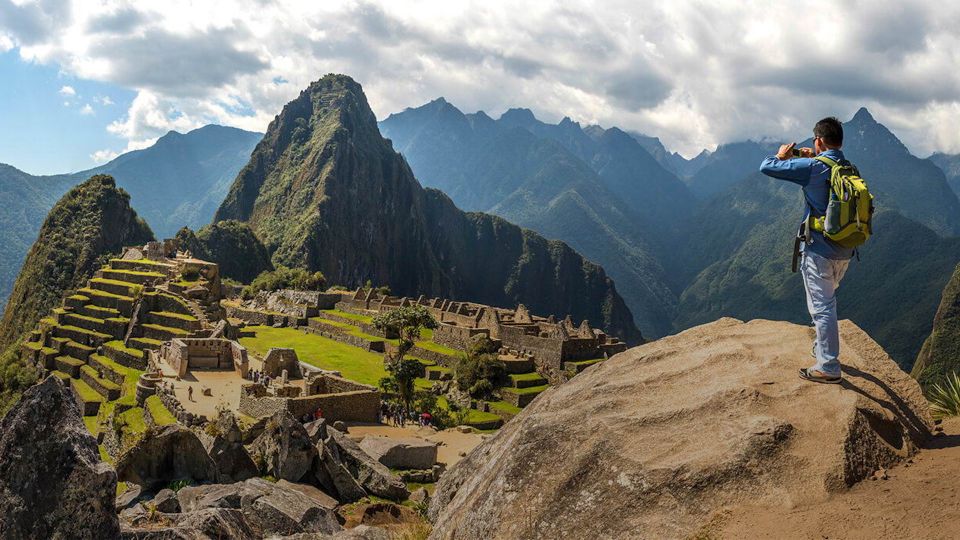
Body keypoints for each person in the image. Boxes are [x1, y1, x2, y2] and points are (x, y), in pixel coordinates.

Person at [759, 117, 853, 384]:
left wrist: (782, 155)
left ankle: (829, 367)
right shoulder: (847, 167)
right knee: (827, 303)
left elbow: (768, 167)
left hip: (819, 250)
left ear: (818, 141)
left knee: (822, 308)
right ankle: (823, 351)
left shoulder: (813, 167)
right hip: (845, 250)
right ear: (840, 141)